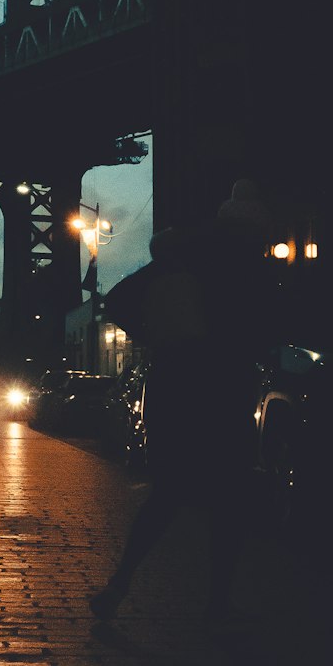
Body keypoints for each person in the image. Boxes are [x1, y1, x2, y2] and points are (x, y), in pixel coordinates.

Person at [88, 179, 273, 623]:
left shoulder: (179, 260)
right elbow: (262, 330)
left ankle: (119, 585)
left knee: (167, 494)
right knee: (230, 501)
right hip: (226, 392)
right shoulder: (250, 270)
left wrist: (153, 336)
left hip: (175, 387)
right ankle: (217, 606)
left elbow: (116, 301)